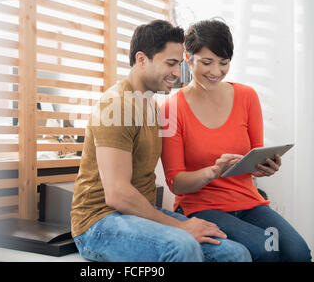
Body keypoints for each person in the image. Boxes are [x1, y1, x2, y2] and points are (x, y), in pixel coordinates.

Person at [70, 20, 252, 262]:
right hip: (99, 222)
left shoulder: (153, 107)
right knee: (182, 245)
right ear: (142, 59)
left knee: (235, 254)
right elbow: (117, 195)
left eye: (178, 63)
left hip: (140, 215)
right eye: (170, 63)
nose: (177, 73)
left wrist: (217, 168)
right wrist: (182, 226)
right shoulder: (115, 106)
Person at [160, 19, 312, 262]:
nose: (216, 72)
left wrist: (266, 167)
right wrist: (214, 171)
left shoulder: (247, 97)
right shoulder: (171, 108)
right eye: (207, 62)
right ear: (189, 58)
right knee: (266, 249)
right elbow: (176, 183)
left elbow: (254, 158)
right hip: (202, 206)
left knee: (299, 252)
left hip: (249, 202)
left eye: (224, 63)